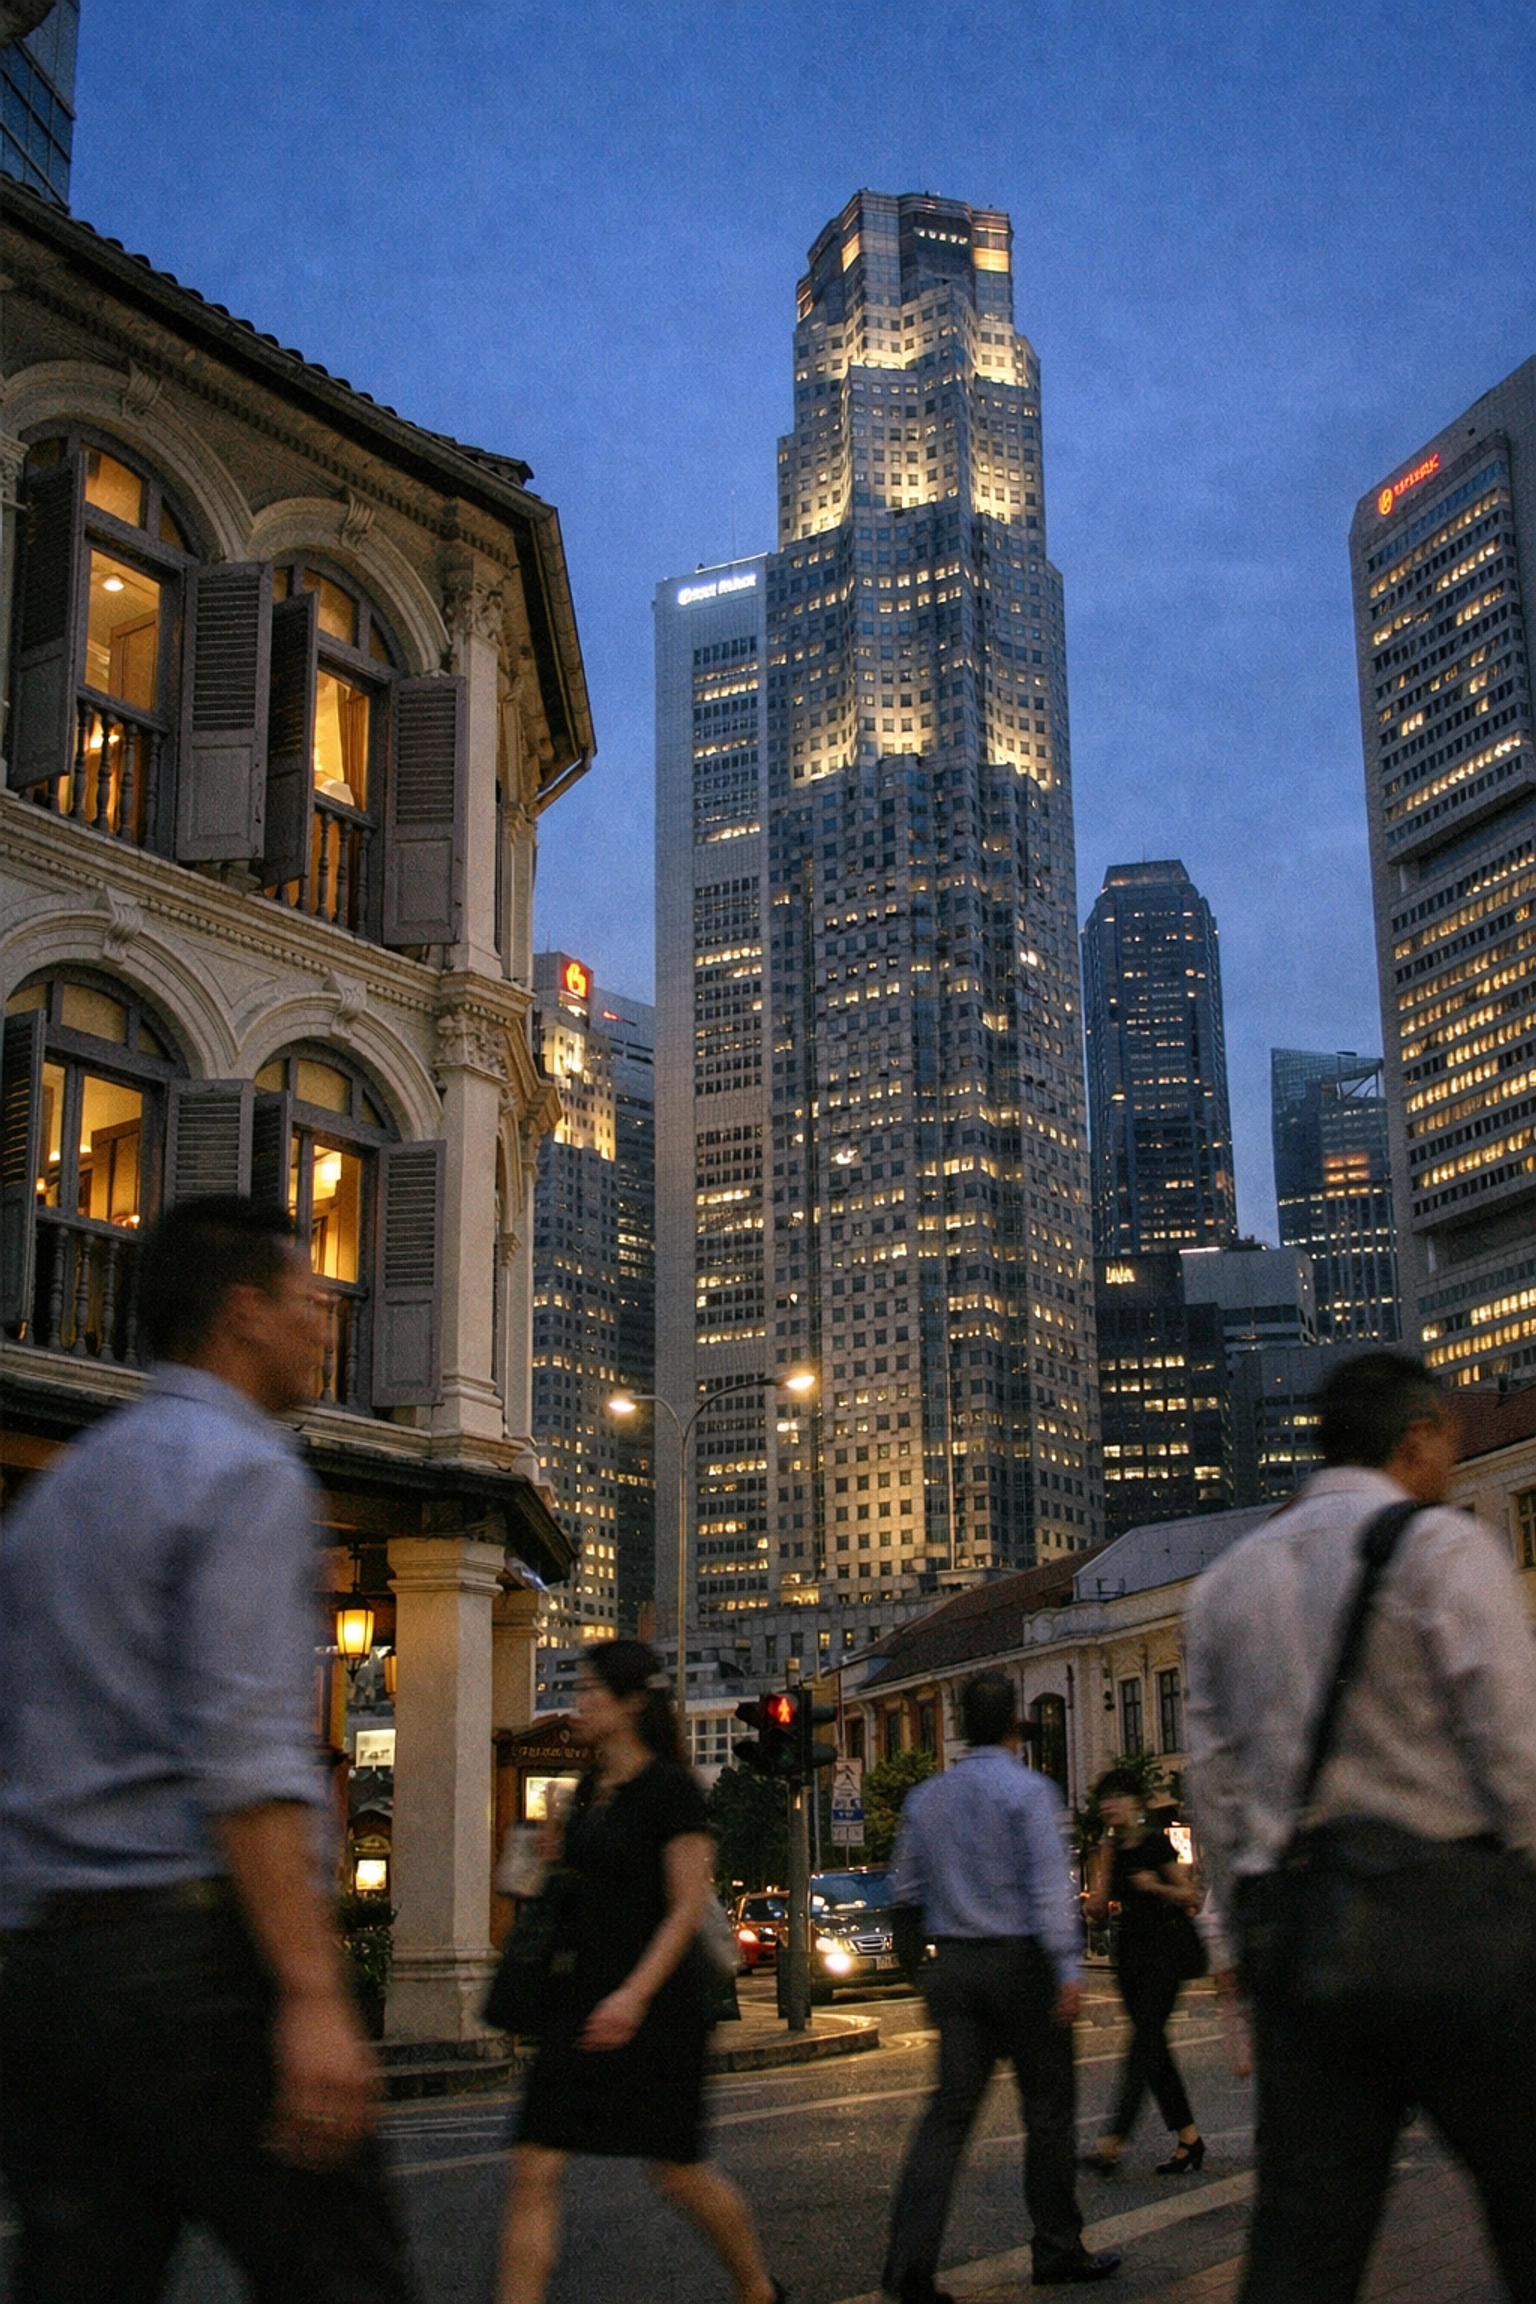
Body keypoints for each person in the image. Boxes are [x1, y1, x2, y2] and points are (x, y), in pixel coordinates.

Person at [0, 1196, 415, 2304]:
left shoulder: (58, 1498)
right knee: (342, 2275)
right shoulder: (242, 1472)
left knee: (80, 2278)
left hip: (46, 1967)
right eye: (307, 1295)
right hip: (191, 1968)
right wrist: (313, 1994)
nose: (329, 1316)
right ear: (242, 1315)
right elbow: (247, 1762)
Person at [1187, 1350, 1536, 2304]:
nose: (1452, 1471)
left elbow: (1211, 1790)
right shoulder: (1443, 1547)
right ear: (1417, 1437)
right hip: (1459, 1934)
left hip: (1307, 1952)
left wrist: (1231, 1938)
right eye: (1448, 1449)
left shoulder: (1225, 1586)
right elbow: (1517, 1750)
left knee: (1304, 2241)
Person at [496, 1638, 782, 2304]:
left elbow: (684, 1908)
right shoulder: (592, 1787)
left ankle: (757, 2291)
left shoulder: (672, 1791)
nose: (579, 1702)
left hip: (655, 2008)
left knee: (678, 2173)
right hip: (578, 1998)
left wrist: (633, 1996)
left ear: (628, 1704)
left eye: (592, 1690)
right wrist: (550, 1855)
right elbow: (583, 1885)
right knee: (533, 2164)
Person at [883, 1671, 1122, 2298]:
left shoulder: (926, 1799)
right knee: (1047, 2114)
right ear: (1013, 1725)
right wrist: (1068, 1968)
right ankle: (1057, 2247)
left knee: (947, 2120)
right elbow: (1049, 1888)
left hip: (956, 1966)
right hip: (1022, 1966)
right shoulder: (1029, 1792)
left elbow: (904, 1896)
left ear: (959, 1725)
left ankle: (909, 2266)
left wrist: (924, 1976)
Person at [1081, 1773, 1205, 2178]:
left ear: (1135, 1802)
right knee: (1153, 2050)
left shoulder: (1156, 1843)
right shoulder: (1108, 1848)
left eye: (1116, 1797)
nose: (1108, 1805)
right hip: (1130, 1958)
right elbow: (1098, 1907)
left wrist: (1156, 1887)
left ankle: (1111, 2143)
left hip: (1164, 1955)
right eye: (1104, 1799)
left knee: (1142, 2046)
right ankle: (1189, 2139)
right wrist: (1096, 1902)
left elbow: (1190, 1898)